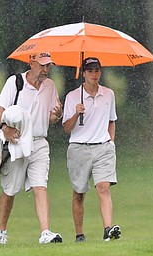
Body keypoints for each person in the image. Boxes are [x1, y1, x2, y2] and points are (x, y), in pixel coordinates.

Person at [0, 52, 63, 244]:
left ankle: (45, 233)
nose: (46, 70)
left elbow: (51, 117)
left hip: (39, 142)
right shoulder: (14, 82)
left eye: (48, 66)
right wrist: (4, 129)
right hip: (17, 141)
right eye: (42, 65)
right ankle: (1, 232)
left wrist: (57, 115)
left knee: (40, 186)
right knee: (10, 190)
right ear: (31, 63)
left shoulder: (50, 86)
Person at [63, 57, 121, 242]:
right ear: (83, 74)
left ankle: (107, 230)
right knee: (79, 193)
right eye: (90, 71)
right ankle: (80, 234)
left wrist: (111, 142)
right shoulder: (73, 97)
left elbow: (112, 121)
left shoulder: (109, 94)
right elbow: (66, 127)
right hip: (79, 148)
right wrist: (76, 113)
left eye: (97, 70)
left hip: (103, 147)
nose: (94, 74)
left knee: (103, 187)